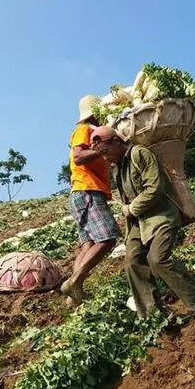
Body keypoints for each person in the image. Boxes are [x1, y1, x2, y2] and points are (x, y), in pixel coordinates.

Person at [89, 126, 195, 318]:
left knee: (158, 260)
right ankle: (153, 316)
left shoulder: (140, 154)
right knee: (132, 263)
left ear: (116, 141)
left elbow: (155, 188)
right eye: (101, 156)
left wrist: (130, 209)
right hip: (138, 224)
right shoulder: (117, 169)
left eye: (106, 152)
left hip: (161, 216)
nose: (106, 158)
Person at [60, 95, 121, 306]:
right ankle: (75, 281)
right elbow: (78, 157)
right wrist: (100, 148)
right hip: (88, 191)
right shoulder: (85, 130)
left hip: (80, 194)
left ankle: (72, 296)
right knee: (108, 238)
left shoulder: (89, 132)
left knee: (89, 245)